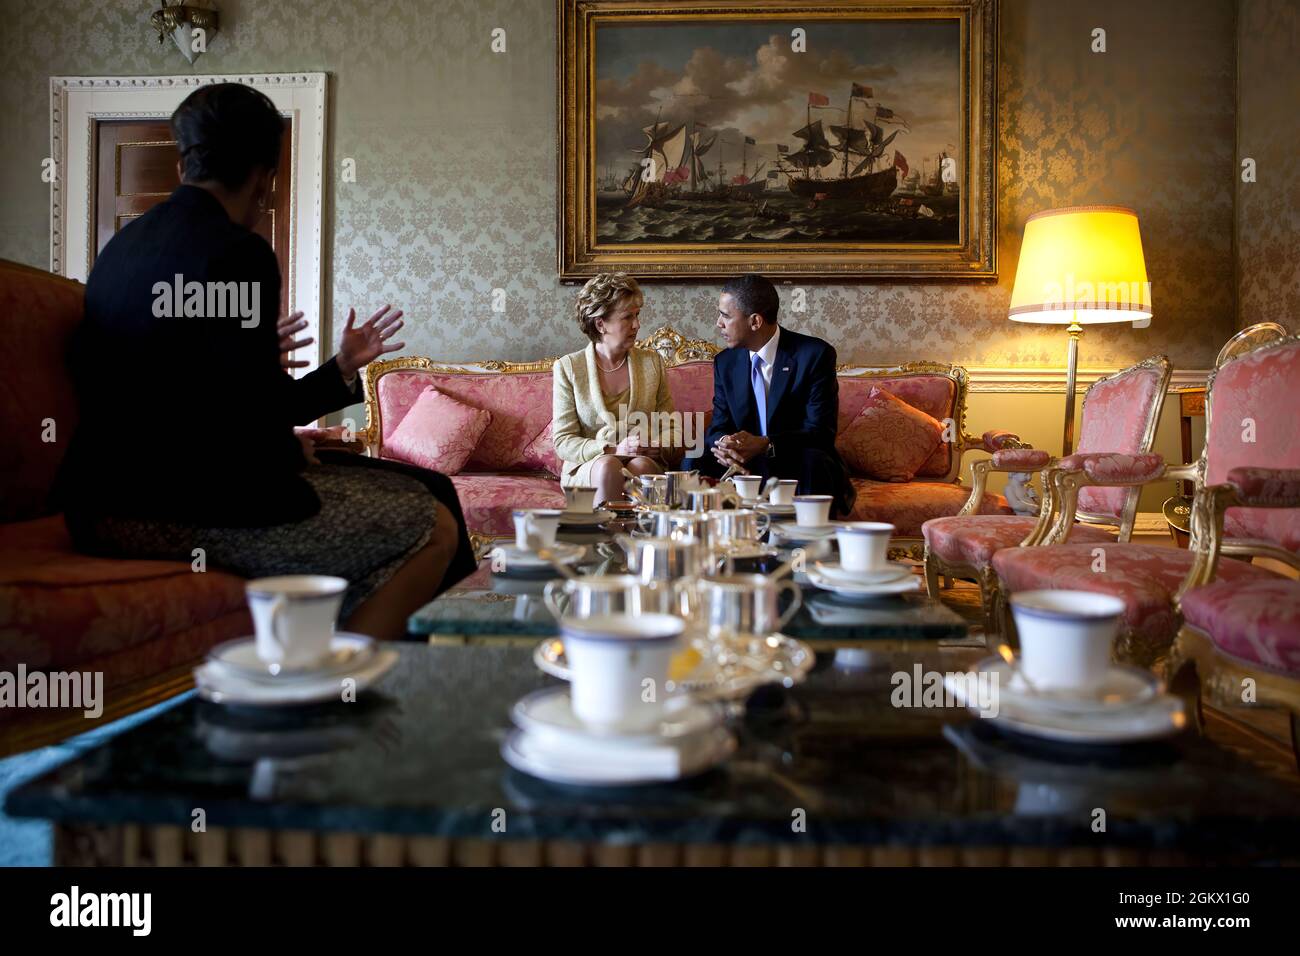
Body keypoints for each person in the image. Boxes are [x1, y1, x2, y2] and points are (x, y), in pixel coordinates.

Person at [54, 82, 476, 640]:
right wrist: (283, 450)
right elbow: (248, 422)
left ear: (184, 164)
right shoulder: (239, 251)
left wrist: (338, 368)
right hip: (176, 507)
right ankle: (329, 695)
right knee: (434, 522)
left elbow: (200, 393)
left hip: (96, 503)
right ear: (263, 177)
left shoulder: (118, 252)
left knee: (427, 487)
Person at [689, 273, 856, 516]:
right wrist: (725, 444)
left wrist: (766, 444)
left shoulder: (814, 355)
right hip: (744, 462)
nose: (718, 323)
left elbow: (821, 432)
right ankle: (697, 542)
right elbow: (719, 424)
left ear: (755, 321)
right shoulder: (725, 362)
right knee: (692, 459)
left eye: (726, 316)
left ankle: (808, 543)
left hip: (795, 459)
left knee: (815, 460)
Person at [551, 273, 683, 505]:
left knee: (640, 466)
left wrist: (657, 445)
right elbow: (563, 441)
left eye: (637, 315)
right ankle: (606, 540)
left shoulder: (652, 363)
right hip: (589, 467)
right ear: (600, 323)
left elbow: (672, 428)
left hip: (642, 462)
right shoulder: (569, 368)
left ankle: (645, 540)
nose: (637, 325)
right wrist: (613, 448)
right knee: (608, 466)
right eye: (627, 318)